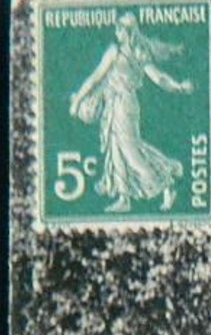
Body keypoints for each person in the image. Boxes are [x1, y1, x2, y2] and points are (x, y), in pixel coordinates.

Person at [68, 12, 193, 213]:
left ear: (129, 32)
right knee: (116, 149)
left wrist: (177, 87)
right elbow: (96, 79)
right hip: (113, 104)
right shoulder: (126, 51)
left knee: (130, 151)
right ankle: (124, 197)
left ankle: (166, 184)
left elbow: (157, 77)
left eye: (120, 29)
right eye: (117, 28)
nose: (117, 32)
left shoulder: (128, 52)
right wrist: (79, 100)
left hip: (125, 105)